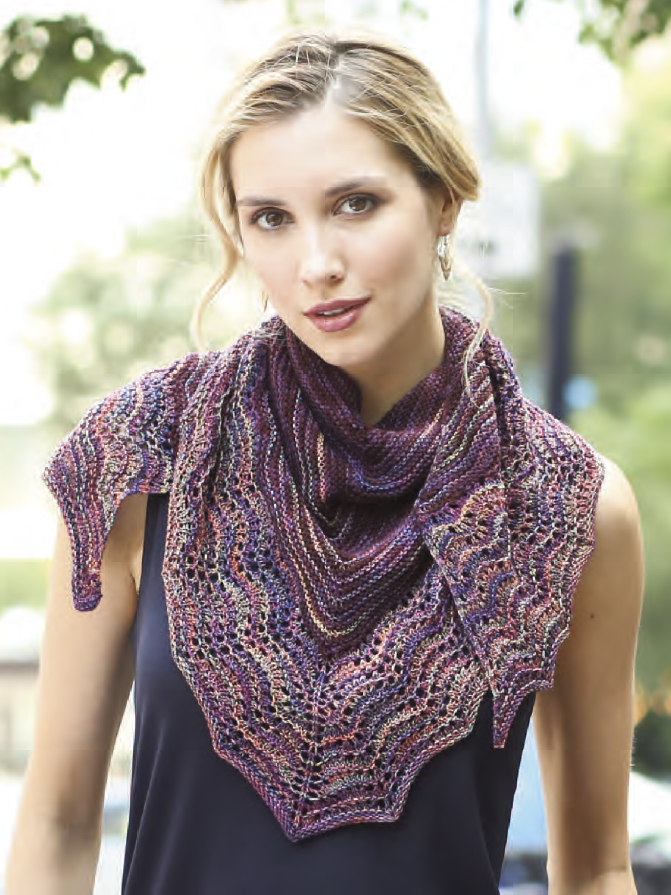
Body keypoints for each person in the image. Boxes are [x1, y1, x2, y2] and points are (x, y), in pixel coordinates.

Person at [6, 29, 643, 895]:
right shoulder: (141, 458)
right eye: (271, 218)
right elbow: (57, 818)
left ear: (444, 199)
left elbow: (596, 866)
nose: (316, 265)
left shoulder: (563, 503)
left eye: (355, 204)